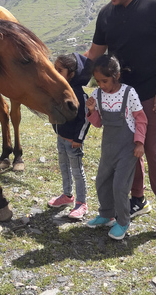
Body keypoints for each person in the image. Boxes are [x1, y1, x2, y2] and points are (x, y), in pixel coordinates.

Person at [84, 0, 156, 239]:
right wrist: (66, 72)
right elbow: (94, 54)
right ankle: (137, 199)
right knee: (128, 149)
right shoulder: (107, 13)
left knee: (153, 149)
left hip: (153, 93)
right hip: (121, 96)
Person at [85, 55, 148, 240]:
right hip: (108, 147)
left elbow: (141, 119)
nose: (101, 85)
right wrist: (91, 111)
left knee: (120, 186)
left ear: (116, 76)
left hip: (128, 149)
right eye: (97, 81)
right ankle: (106, 214)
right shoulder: (96, 95)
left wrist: (139, 142)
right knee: (102, 181)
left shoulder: (129, 93)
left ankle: (123, 221)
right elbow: (97, 124)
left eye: (104, 81)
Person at [48, 53, 92, 219]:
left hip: (73, 143)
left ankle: (81, 203)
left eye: (59, 70)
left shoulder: (79, 95)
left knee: (77, 171)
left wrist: (78, 140)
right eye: (54, 69)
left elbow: (85, 119)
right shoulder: (58, 91)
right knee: (64, 167)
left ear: (71, 74)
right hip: (61, 138)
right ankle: (67, 196)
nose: (55, 72)